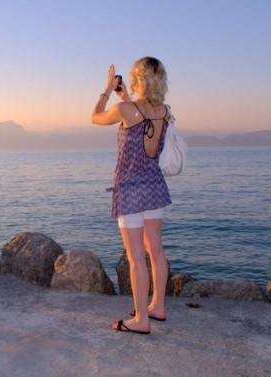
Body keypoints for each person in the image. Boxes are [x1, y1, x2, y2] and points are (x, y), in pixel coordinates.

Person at [91, 57, 172, 334]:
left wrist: (105, 89)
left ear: (139, 79)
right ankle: (157, 306)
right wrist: (125, 96)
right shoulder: (164, 110)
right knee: (156, 250)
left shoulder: (124, 110)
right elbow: (143, 116)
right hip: (154, 187)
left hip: (130, 190)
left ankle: (141, 320)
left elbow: (95, 117)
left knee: (136, 256)